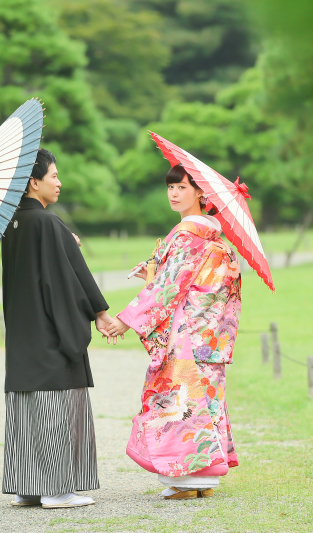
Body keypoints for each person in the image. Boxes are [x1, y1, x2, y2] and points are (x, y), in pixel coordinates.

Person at [106, 163, 241, 499]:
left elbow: (167, 288)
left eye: (181, 187)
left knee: (180, 403)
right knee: (205, 400)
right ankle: (204, 481)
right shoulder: (216, 238)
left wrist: (125, 319)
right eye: (170, 187)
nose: (174, 194)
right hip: (209, 336)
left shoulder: (186, 235)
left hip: (186, 336)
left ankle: (185, 480)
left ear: (200, 193)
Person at [1, 148, 116, 509]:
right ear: (34, 182)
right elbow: (63, 281)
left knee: (27, 410)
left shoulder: (12, 224)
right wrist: (98, 313)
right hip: (50, 333)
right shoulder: (48, 224)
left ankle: (28, 485)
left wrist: (66, 243)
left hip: (22, 333)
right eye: (54, 176)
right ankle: (56, 490)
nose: (59, 182)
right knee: (55, 407)